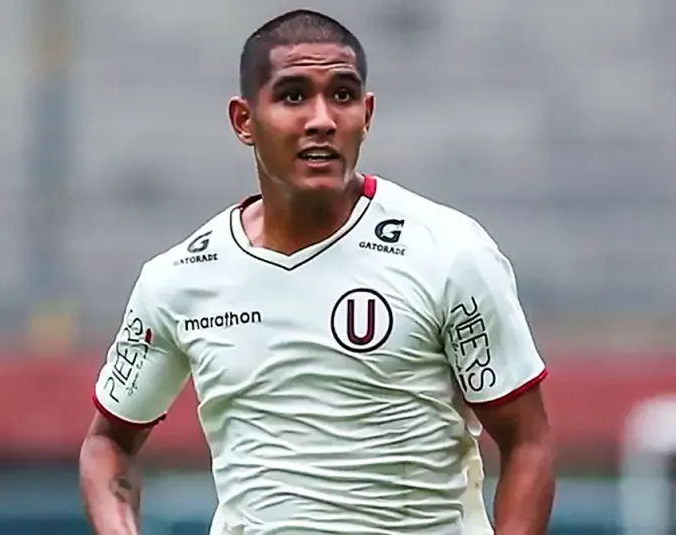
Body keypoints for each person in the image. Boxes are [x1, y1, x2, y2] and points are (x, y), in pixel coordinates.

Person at [80, 8, 555, 535]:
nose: (322, 119)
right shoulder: (179, 279)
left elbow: (527, 442)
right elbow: (107, 445)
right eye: (293, 96)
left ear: (367, 114)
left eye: (343, 95)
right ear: (243, 121)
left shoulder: (449, 252)